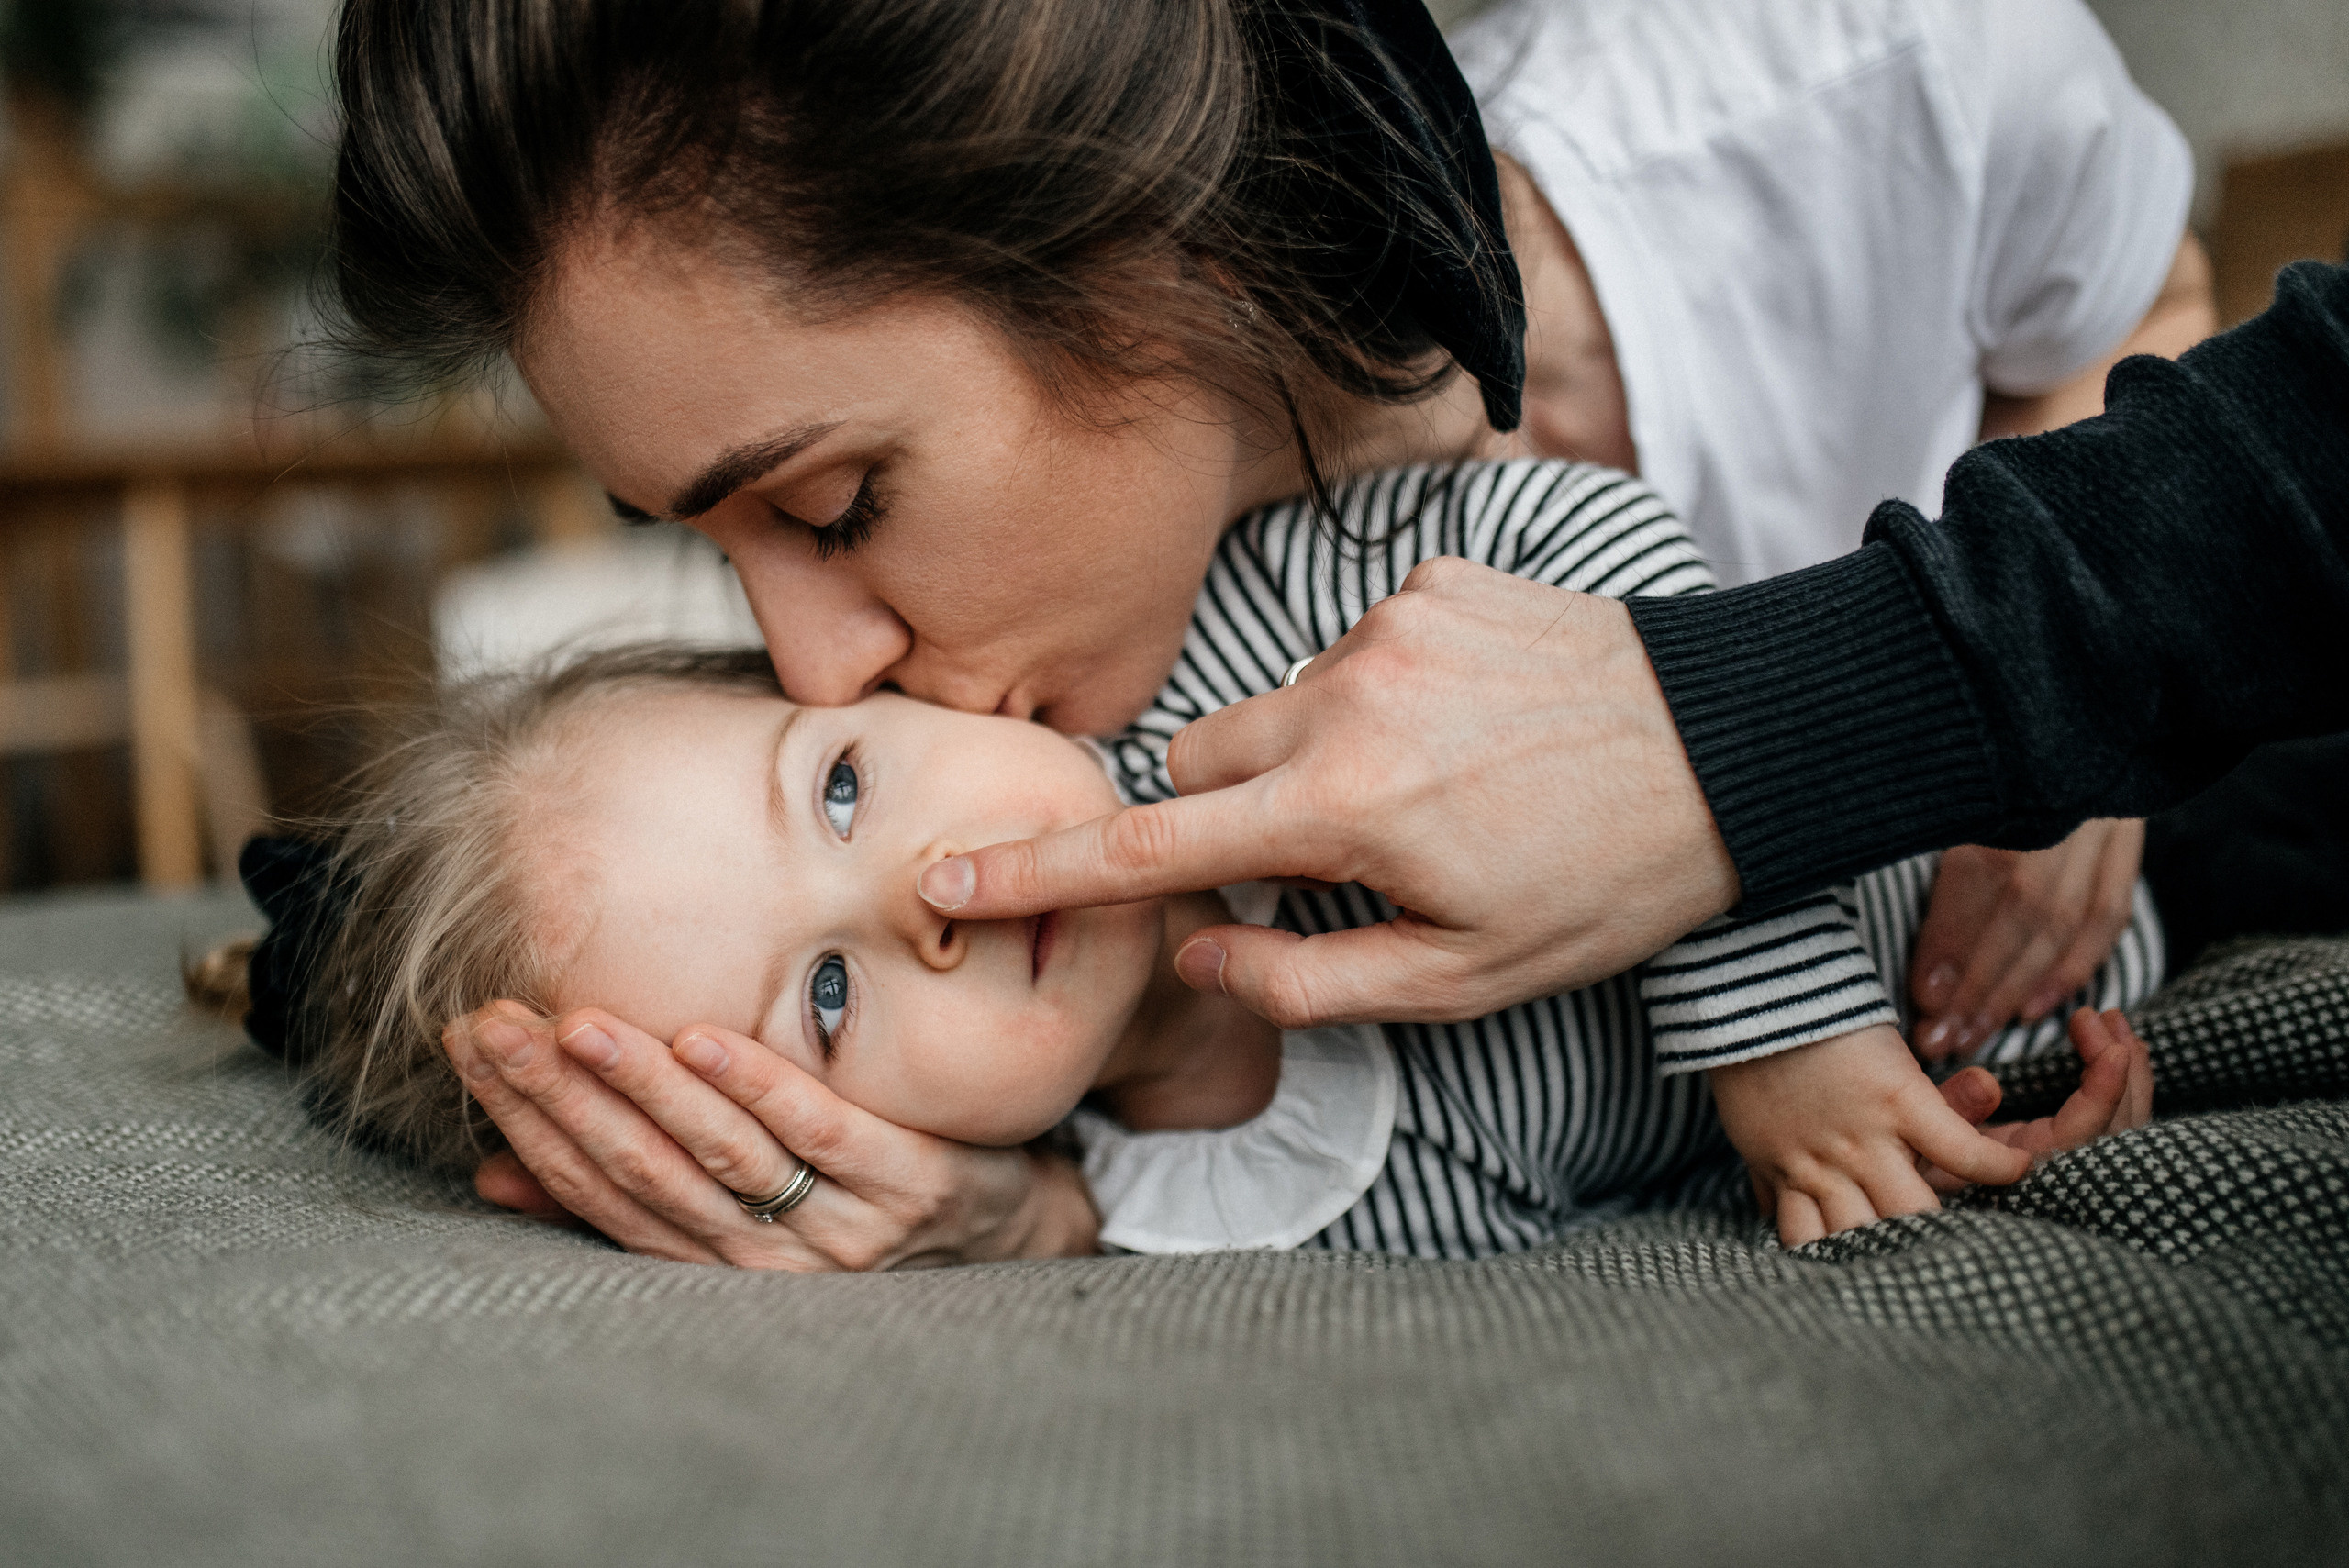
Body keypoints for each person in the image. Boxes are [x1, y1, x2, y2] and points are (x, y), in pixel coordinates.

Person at [328, 0, 2210, 1265]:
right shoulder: (1056, 750)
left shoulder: (1879, 65)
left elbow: (2153, 312)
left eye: (833, 507)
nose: (819, 670)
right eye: (722, 558)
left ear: (1136, 246)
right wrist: (1012, 1202)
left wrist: (2046, 669)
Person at [204, 619, 2150, 1261]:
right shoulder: (1203, 1220)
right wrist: (1937, 1120)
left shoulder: (1260, 655)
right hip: (2061, 969)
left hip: (2040, 727)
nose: (930, 899)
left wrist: (1784, 1038)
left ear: (882, 679)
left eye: (847, 788)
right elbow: (1665, 1198)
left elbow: (1626, 600)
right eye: (827, 998)